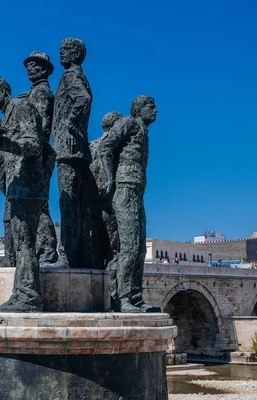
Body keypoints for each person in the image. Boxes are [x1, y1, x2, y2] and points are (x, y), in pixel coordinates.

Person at [0, 75, 45, 312]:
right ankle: (22, 293)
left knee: (25, 242)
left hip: (28, 186)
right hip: (17, 189)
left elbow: (33, 144)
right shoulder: (6, 115)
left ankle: (28, 296)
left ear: (3, 89)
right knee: (20, 242)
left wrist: (2, 141)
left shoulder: (21, 107)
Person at [101, 95, 160, 313]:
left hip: (137, 191)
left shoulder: (144, 132)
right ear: (138, 109)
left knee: (140, 249)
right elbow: (106, 146)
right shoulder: (128, 123)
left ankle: (135, 298)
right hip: (124, 189)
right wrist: (110, 178)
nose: (156, 111)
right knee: (129, 246)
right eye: (151, 107)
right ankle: (122, 298)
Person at [52, 38, 93, 269]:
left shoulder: (69, 76)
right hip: (79, 150)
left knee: (67, 203)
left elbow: (82, 99)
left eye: (64, 50)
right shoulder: (81, 76)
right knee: (79, 206)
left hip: (68, 149)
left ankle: (66, 255)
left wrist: (69, 122)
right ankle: (80, 254)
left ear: (75, 53)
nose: (61, 53)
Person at [19, 51, 59, 265]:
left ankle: (47, 250)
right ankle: (42, 247)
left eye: (33, 65)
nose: (29, 69)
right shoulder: (32, 93)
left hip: (38, 152)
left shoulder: (42, 92)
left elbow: (41, 125)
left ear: (44, 69)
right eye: (28, 66)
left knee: (39, 203)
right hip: (36, 151)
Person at [89, 111, 123, 302]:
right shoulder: (116, 148)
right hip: (112, 204)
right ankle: (114, 295)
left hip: (92, 205)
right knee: (115, 251)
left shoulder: (91, 146)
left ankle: (94, 296)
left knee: (95, 250)